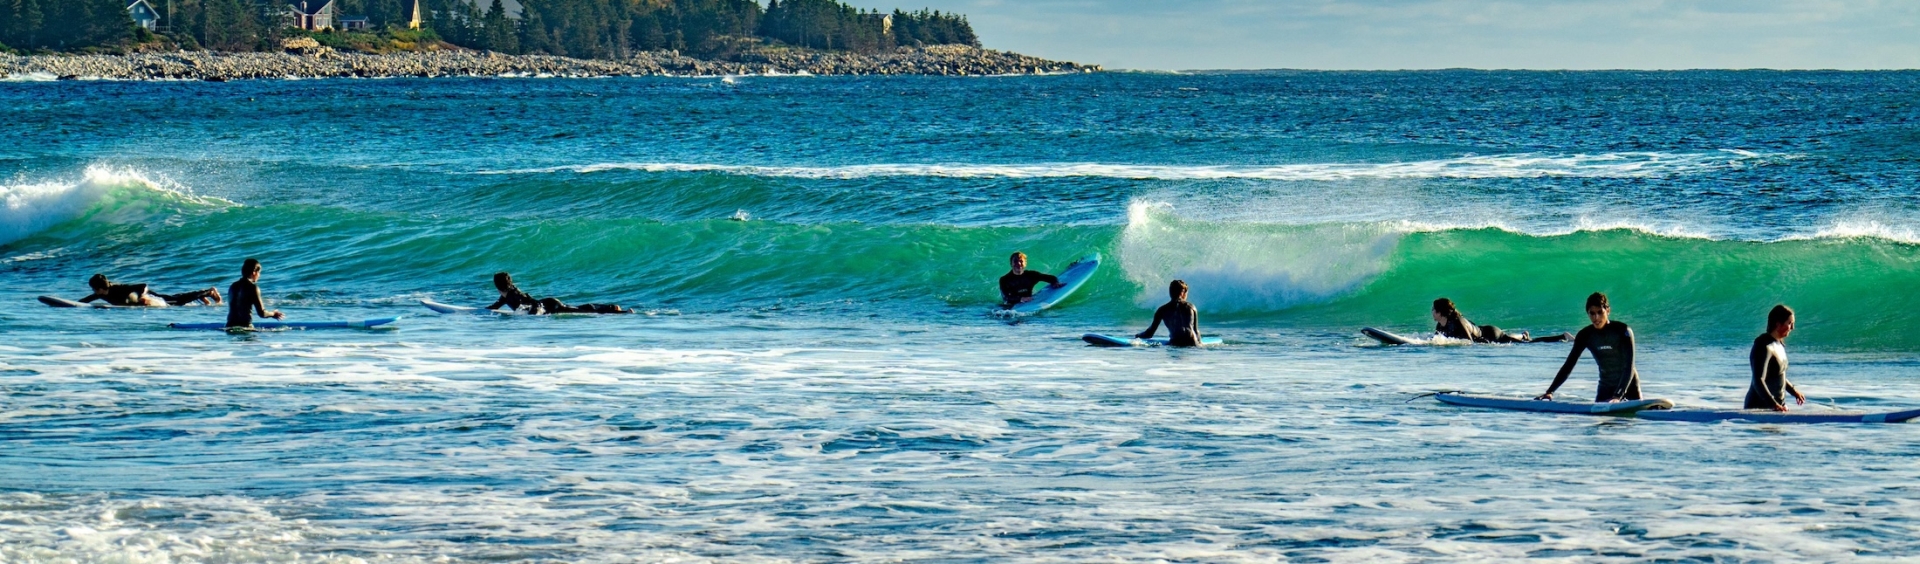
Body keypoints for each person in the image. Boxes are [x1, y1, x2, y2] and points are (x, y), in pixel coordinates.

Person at [1538, 292, 1641, 402]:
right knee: (1600, 417)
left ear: (1608, 311)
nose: (1596, 317)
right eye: (1592, 313)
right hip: (1605, 387)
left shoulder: (1622, 331)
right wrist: (1550, 391)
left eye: (1600, 312)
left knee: (1631, 418)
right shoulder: (1585, 335)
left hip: (1628, 386)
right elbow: (1569, 365)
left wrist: (1618, 396)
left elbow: (1629, 366)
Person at [1745, 304, 1806, 412]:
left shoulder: (1778, 345)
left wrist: (1794, 391)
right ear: (1778, 324)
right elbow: (1758, 380)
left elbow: (1778, 375)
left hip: (1775, 407)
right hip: (1759, 408)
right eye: (1789, 323)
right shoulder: (1763, 345)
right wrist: (1773, 404)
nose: (1792, 328)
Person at [1431, 298, 1569, 344]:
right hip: (1487, 333)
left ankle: (1563, 336)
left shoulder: (1458, 322)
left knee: (1528, 344)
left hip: (1491, 334)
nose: (1431, 312)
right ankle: (1523, 335)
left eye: (1433, 309)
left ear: (1439, 312)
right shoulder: (1440, 325)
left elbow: (1470, 342)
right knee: (1514, 339)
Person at [485, 272, 631, 314]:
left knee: (578, 311)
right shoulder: (505, 297)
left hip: (550, 304)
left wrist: (535, 315)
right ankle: (611, 307)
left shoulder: (513, 295)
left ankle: (620, 311)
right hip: (548, 305)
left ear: (497, 285)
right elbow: (494, 307)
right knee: (578, 308)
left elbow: (533, 303)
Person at [78, 273, 221, 307]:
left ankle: (209, 292)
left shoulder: (119, 289)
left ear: (99, 288)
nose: (93, 291)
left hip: (153, 297)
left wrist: (141, 296)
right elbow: (86, 300)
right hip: (147, 303)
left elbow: (143, 285)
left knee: (177, 301)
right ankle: (201, 295)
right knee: (178, 297)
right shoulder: (101, 294)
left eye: (93, 288)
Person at [1136, 279, 1201, 347]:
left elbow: (1149, 334)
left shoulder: (1162, 309)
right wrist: (1199, 344)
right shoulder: (1191, 307)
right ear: (1184, 292)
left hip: (1175, 342)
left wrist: (1138, 336)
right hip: (1192, 342)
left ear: (1170, 292)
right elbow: (1196, 331)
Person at [227, 258, 284, 329]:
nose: (259, 275)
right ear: (254, 272)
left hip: (229, 326)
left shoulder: (233, 286)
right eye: (259, 272)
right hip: (245, 327)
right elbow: (262, 313)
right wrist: (273, 314)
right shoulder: (253, 288)